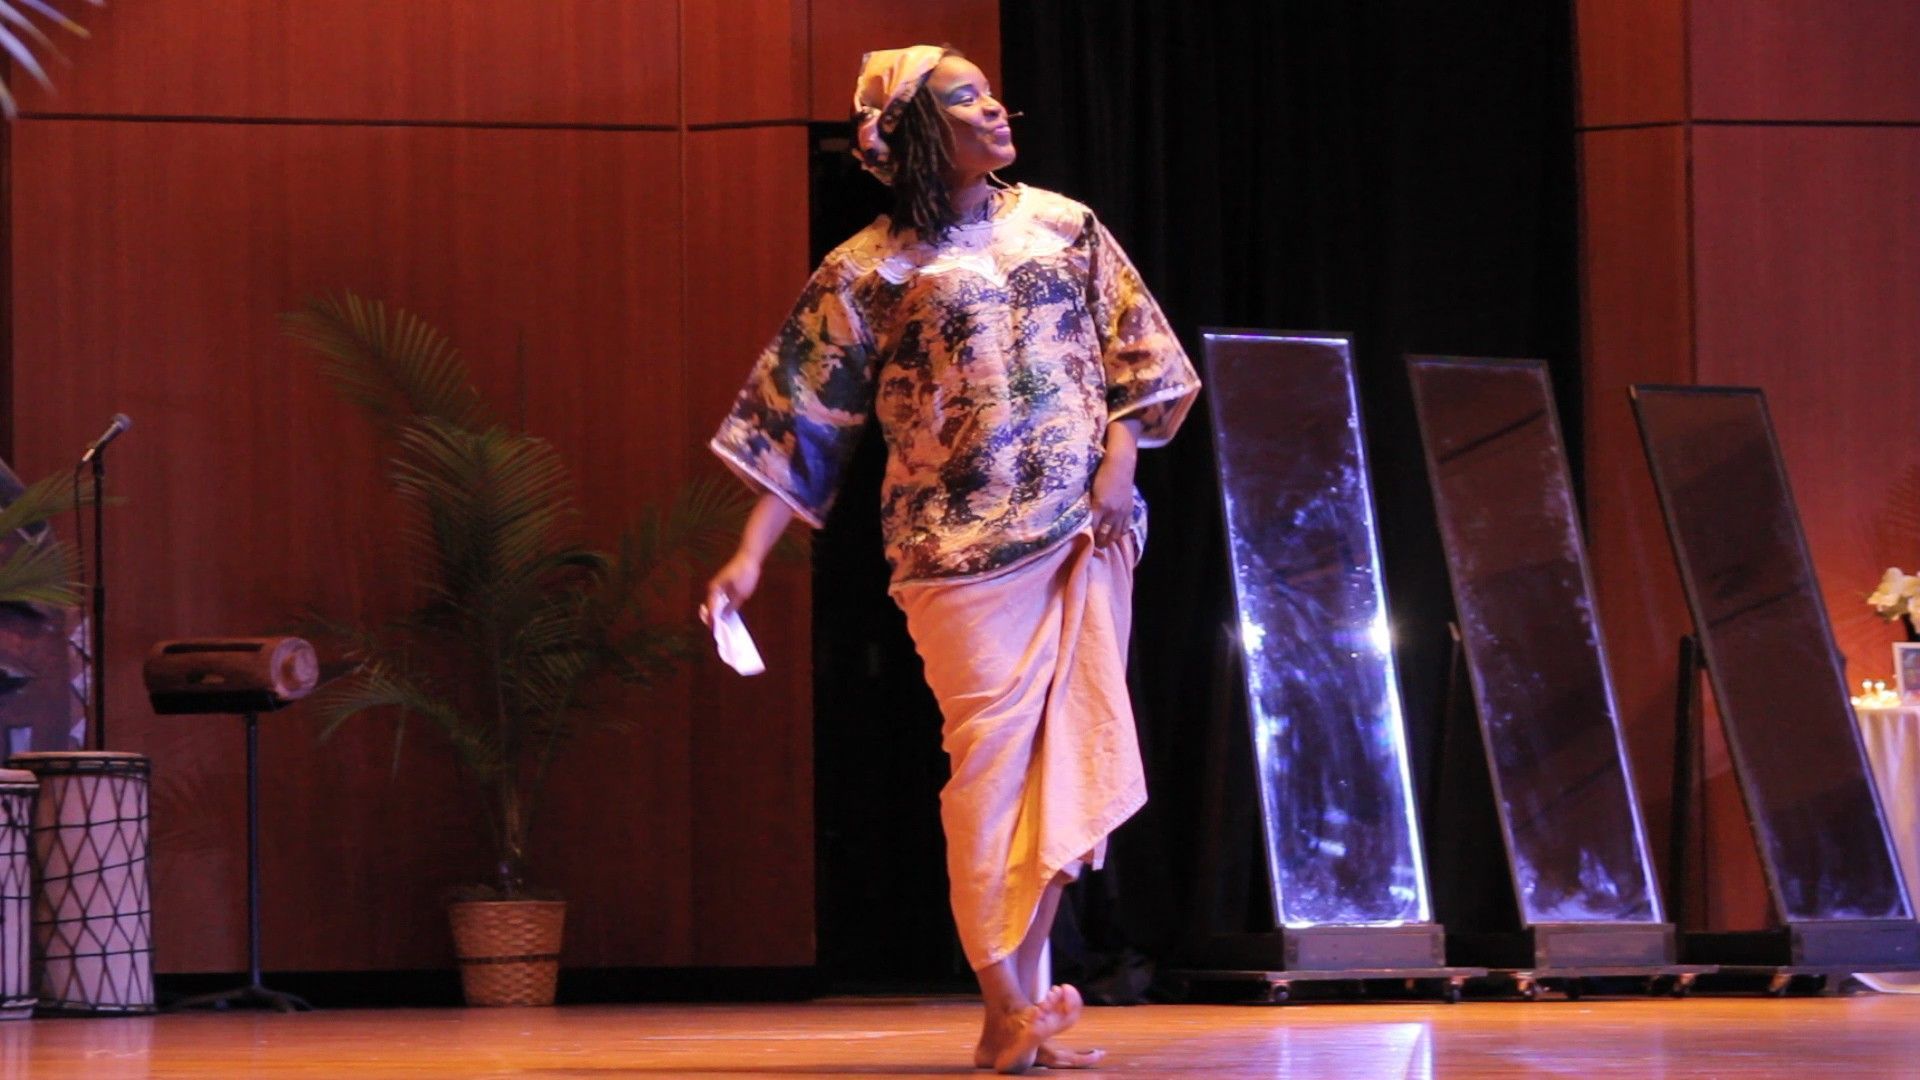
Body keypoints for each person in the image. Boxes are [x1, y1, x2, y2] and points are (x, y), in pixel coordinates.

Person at [703, 43, 1199, 1075]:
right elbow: (800, 428)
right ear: (922, 133)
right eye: (967, 98)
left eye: (989, 89)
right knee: (990, 771)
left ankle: (1010, 1010)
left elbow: (1138, 362)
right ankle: (1005, 997)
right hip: (955, 557)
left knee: (1071, 761)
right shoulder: (865, 270)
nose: (997, 106)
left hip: (1082, 537)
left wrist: (1117, 467)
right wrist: (746, 557)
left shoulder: (1065, 226)